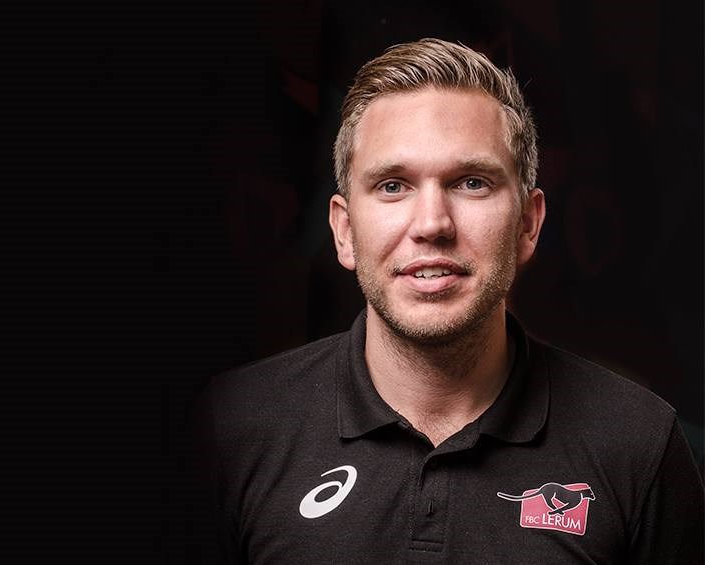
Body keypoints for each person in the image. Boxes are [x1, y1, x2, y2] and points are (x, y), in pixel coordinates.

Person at [186, 38, 704, 564]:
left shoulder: (639, 443)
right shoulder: (228, 427)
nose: (432, 224)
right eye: (393, 186)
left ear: (528, 224)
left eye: (471, 183)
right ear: (344, 231)